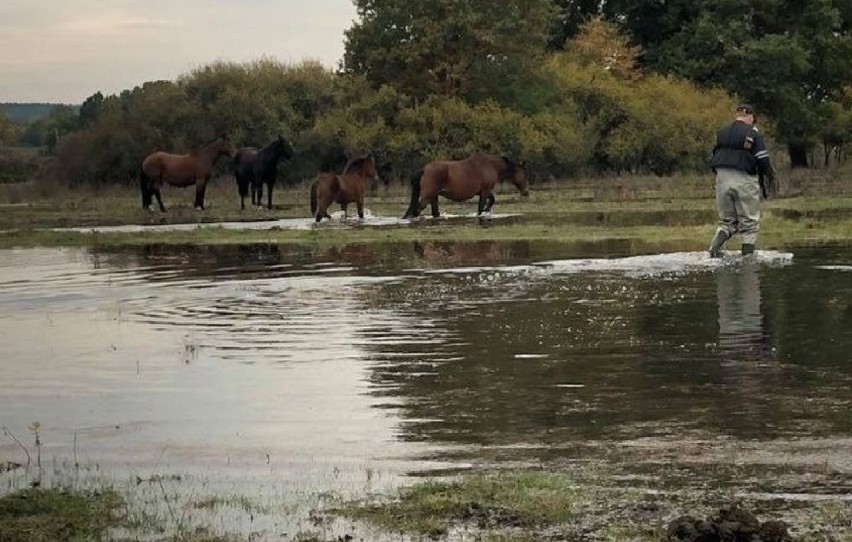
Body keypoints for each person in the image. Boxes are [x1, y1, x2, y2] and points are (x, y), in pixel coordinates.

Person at [707, 104, 776, 257]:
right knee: (749, 224)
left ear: (737, 115)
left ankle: (713, 250)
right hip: (744, 179)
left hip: (722, 179)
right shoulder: (753, 133)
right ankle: (748, 259)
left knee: (727, 221)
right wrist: (768, 175)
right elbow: (762, 159)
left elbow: (714, 155)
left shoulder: (722, 132)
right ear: (750, 117)